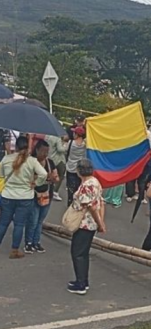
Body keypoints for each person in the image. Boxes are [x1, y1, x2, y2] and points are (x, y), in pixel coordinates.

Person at [0, 136, 48, 259]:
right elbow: (44, 173)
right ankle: (14, 250)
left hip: (7, 196)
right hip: (25, 197)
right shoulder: (32, 161)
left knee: (3, 223)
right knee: (19, 224)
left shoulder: (6, 159)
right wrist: (36, 183)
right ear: (28, 147)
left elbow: (0, 175)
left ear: (16, 147)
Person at [67, 159, 105, 295]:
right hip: (91, 223)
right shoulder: (95, 182)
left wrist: (100, 224)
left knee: (77, 253)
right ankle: (83, 280)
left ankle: (81, 283)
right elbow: (100, 202)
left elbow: (92, 207)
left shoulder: (86, 186)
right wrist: (101, 221)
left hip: (84, 223)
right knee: (83, 253)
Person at [25, 140, 57, 254]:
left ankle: (36, 242)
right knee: (33, 220)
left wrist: (52, 178)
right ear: (37, 150)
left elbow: (56, 177)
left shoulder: (50, 162)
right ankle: (28, 242)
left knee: (40, 221)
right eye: (43, 151)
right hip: (34, 195)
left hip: (47, 194)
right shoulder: (31, 162)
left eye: (47, 152)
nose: (45, 154)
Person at [65, 126, 87, 205]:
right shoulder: (85, 144)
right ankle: (77, 203)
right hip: (80, 169)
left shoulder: (71, 143)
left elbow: (65, 150)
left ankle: (70, 203)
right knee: (78, 187)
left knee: (70, 188)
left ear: (77, 134)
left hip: (70, 168)